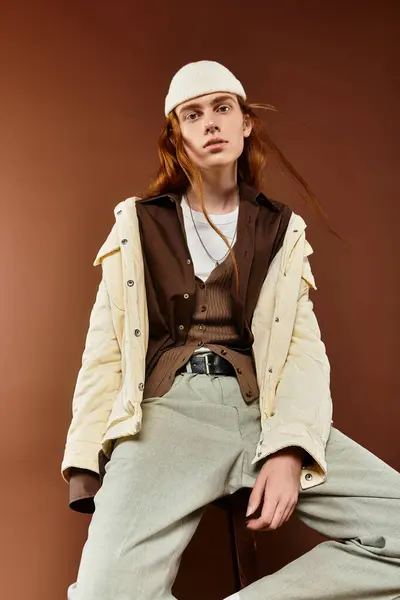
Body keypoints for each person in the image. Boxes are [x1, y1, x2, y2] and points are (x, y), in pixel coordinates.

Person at [62, 60, 400, 600]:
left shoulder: (280, 229)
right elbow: (103, 348)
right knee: (104, 593)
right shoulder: (139, 223)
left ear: (245, 124)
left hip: (260, 408)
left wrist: (289, 449)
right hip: (166, 413)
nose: (210, 123)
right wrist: (85, 460)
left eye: (222, 108)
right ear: (178, 136)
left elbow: (301, 352)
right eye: (193, 115)